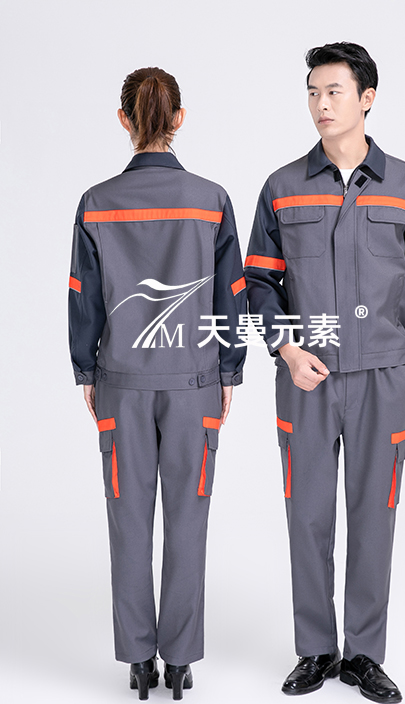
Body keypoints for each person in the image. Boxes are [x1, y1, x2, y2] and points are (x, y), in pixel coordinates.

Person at [245, 42, 405, 703]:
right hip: (305, 378)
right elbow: (257, 282)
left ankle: (364, 655)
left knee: (373, 517)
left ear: (367, 98)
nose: (321, 104)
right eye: (312, 92)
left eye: (334, 91)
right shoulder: (282, 187)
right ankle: (315, 650)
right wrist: (285, 349)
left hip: (383, 380)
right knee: (307, 515)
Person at [68, 67, 246, 701]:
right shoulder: (211, 199)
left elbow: (84, 296)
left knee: (128, 522)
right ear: (179, 120)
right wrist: (230, 371)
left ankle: (138, 661)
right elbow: (232, 294)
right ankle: (180, 663)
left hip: (121, 383)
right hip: (196, 384)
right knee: (188, 520)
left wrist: (86, 370)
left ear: (124, 120)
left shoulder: (96, 203)